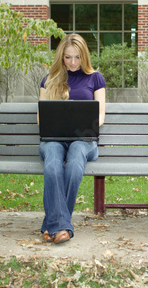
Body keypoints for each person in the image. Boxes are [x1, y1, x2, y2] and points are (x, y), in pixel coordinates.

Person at [38, 33, 106, 244]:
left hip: (85, 140)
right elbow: (42, 118)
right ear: (61, 57)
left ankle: (53, 224)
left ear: (84, 56)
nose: (73, 62)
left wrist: (85, 127)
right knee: (52, 166)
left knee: (76, 161)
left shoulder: (95, 78)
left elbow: (100, 115)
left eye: (77, 57)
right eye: (68, 57)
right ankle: (62, 227)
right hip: (54, 138)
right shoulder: (49, 79)